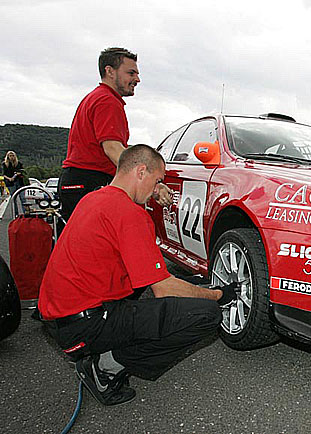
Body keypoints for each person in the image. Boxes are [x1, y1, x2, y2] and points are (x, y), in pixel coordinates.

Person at [39, 145, 237, 406]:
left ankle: (103, 352)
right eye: (157, 181)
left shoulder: (94, 199)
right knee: (206, 314)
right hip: (84, 327)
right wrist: (218, 295)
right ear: (141, 171)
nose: (157, 190)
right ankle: (105, 367)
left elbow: (146, 276)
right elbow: (163, 289)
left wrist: (196, 286)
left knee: (184, 290)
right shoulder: (130, 214)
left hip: (59, 317)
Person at [59, 47, 172, 223]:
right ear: (110, 71)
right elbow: (113, 148)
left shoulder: (96, 97)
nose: (137, 79)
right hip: (90, 182)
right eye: (131, 73)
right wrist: (152, 182)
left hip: (77, 182)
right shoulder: (107, 101)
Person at [1, 150, 27, 215]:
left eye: (13, 155)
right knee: (14, 198)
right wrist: (9, 178)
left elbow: (22, 171)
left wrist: (19, 174)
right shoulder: (5, 164)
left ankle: (25, 213)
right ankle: (15, 213)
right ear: (8, 156)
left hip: (19, 182)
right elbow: (4, 174)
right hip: (10, 183)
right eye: (10, 156)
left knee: (23, 198)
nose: (12, 157)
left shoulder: (19, 164)